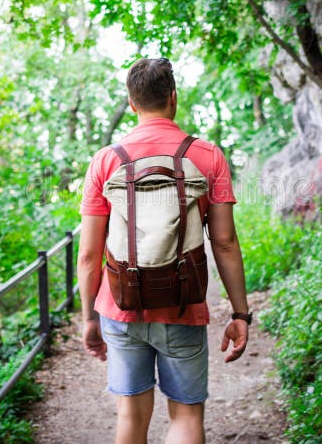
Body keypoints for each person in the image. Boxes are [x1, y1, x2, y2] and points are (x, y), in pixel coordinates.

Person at [77, 57, 251, 444]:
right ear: (173, 98)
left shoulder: (107, 160)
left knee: (130, 418)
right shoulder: (207, 156)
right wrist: (240, 313)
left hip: (120, 307)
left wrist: (90, 318)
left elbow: (89, 255)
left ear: (132, 103)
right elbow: (224, 241)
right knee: (186, 417)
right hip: (182, 306)